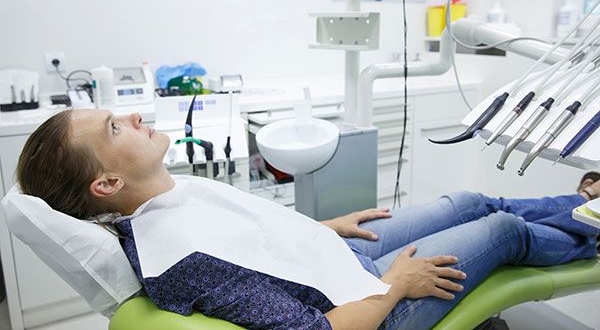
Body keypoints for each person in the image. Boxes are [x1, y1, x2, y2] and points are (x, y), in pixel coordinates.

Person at [15, 109, 600, 330]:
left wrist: (322, 229)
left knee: (466, 202)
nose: (134, 116)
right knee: (501, 232)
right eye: (115, 128)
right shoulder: (180, 261)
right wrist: (396, 285)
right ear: (108, 184)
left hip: (336, 262)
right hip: (365, 307)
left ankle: (580, 204)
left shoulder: (171, 197)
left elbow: (251, 247)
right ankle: (591, 222)